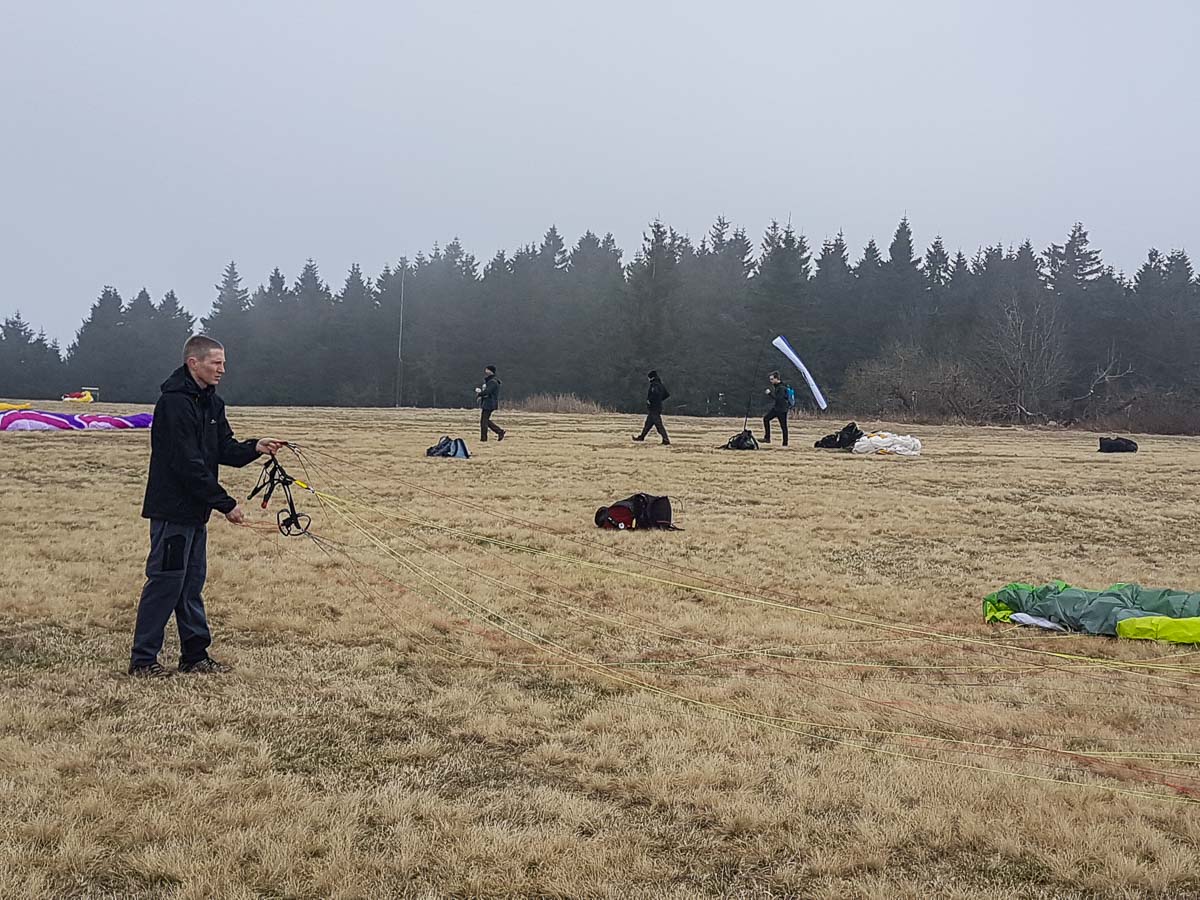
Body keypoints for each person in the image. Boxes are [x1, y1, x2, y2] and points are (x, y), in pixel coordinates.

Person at [129, 335, 285, 678]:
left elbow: (223, 448)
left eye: (223, 363)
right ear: (193, 363)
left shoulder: (213, 403)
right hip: (172, 512)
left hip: (196, 514)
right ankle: (143, 660)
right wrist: (225, 503)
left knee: (191, 585)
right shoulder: (173, 404)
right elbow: (187, 464)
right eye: (216, 362)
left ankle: (195, 656)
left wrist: (254, 447)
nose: (222, 369)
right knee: (165, 584)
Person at [633, 369, 671, 445]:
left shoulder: (654, 385)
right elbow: (666, 394)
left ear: (651, 377)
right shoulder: (660, 384)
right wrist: (659, 400)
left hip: (654, 408)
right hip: (657, 407)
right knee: (648, 424)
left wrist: (650, 400)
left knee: (659, 425)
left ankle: (666, 439)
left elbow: (655, 393)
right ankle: (641, 437)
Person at [476, 365, 506, 442]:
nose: (485, 371)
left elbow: (488, 391)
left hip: (489, 403)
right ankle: (499, 431)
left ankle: (484, 439)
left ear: (490, 371)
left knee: (484, 421)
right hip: (489, 403)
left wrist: (480, 394)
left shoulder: (492, 382)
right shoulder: (492, 381)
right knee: (485, 420)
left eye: (487, 370)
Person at [762, 370, 789, 446]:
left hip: (782, 410)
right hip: (777, 408)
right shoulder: (778, 386)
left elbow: (778, 399)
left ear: (776, 379)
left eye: (772, 379)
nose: (771, 381)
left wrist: (769, 394)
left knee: (783, 426)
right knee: (766, 419)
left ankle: (785, 443)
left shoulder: (781, 388)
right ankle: (767, 438)